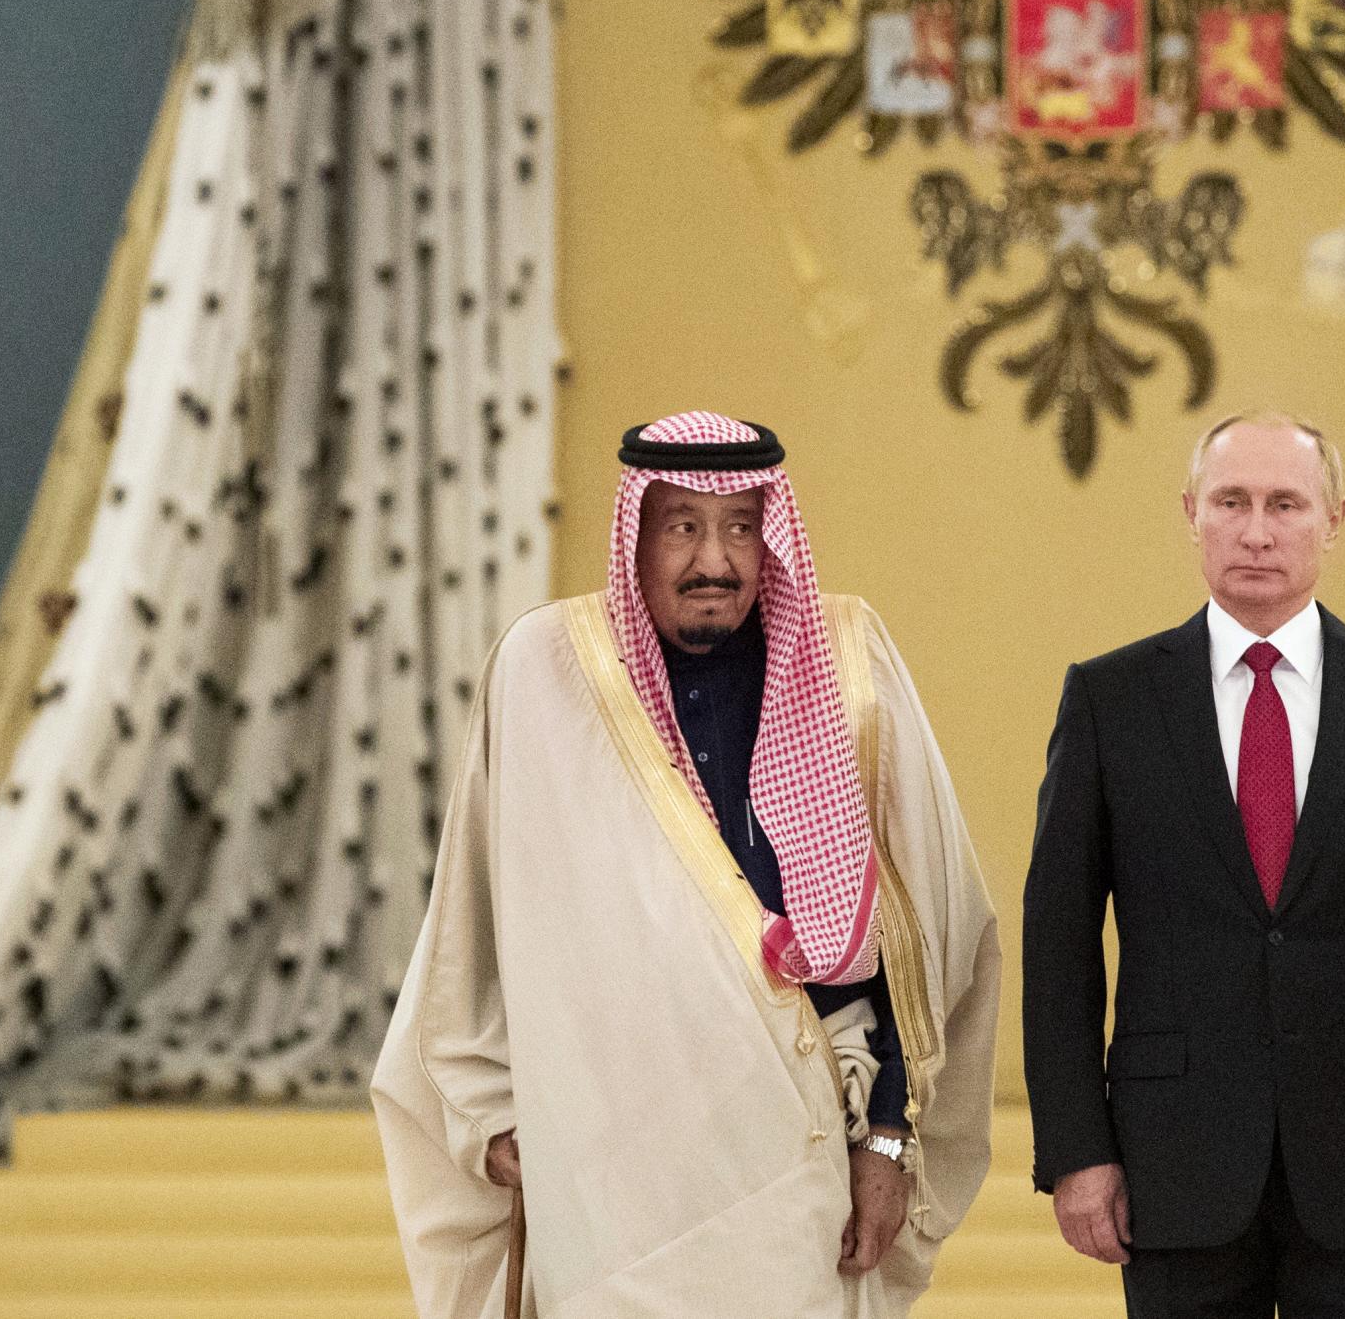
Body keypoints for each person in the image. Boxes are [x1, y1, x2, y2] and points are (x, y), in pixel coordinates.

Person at [374, 411, 1000, 1318]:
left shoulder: (847, 670)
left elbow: (913, 939)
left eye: (742, 526)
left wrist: (892, 1137)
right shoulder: (545, 673)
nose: (716, 559)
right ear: (634, 537)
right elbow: (468, 933)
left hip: (797, 1161)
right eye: (684, 527)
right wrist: (490, 1115)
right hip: (609, 1176)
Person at [1021, 411, 1345, 1319]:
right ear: (1191, 512)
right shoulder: (1110, 698)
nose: (1257, 530)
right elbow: (1058, 946)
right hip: (1171, 1162)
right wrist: (1075, 1149)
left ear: (1333, 518)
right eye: (1232, 501)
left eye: (1286, 503)